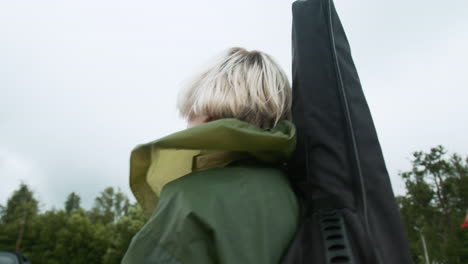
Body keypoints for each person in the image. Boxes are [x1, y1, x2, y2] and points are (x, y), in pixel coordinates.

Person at [121, 47, 299, 264]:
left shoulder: (189, 201)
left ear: (209, 117)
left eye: (189, 115)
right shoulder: (299, 191)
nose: (187, 127)